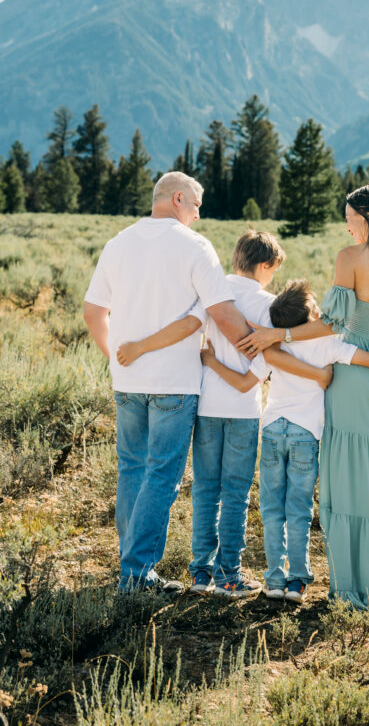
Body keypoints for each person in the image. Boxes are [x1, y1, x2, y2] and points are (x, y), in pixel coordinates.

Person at [238, 185, 369, 608]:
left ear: (368, 217)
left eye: (350, 217)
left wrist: (278, 334)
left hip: (352, 379)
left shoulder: (350, 259)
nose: (346, 225)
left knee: (354, 482)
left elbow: (331, 325)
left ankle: (363, 578)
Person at [112, 228, 331, 599]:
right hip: (244, 412)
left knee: (205, 490)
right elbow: (264, 364)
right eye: (273, 269)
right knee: (236, 494)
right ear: (265, 265)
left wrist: (204, 359)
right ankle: (229, 575)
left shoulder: (212, 292)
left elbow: (191, 331)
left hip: (206, 406)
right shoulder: (269, 305)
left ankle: (200, 573)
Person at [83, 171, 253, 594]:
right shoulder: (195, 247)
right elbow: (225, 315)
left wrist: (117, 361)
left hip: (128, 381)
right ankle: (137, 576)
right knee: (162, 475)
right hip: (175, 384)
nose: (198, 213)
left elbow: (92, 313)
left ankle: (131, 568)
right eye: (196, 205)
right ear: (178, 199)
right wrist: (264, 349)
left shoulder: (117, 243)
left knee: (132, 469)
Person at [217, 278, 369, 603]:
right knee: (300, 510)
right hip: (306, 433)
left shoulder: (272, 348)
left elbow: (248, 376)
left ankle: (275, 581)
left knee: (273, 509)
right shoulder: (329, 343)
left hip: (274, 429)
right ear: (311, 315)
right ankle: (297, 581)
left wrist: (211, 357)